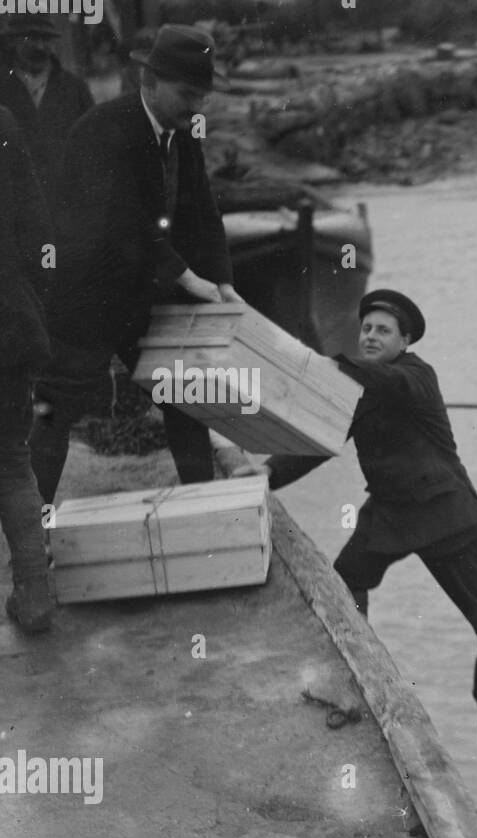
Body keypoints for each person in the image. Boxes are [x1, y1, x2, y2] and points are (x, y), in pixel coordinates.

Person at [237, 289, 477, 733]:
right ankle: (363, 673)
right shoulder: (358, 391)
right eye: (366, 329)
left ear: (404, 342)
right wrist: (267, 473)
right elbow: (321, 442)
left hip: (444, 512)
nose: (371, 336)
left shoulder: (415, 376)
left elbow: (386, 383)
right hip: (391, 512)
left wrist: (319, 365)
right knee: (346, 582)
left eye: (383, 331)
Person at [28, 24, 239, 506]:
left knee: (185, 395)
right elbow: (126, 220)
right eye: (188, 94)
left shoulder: (182, 134)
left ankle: (200, 508)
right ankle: (32, 527)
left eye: (202, 97)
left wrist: (223, 281)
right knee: (56, 410)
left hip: (144, 293)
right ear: (151, 81)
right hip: (86, 297)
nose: (197, 107)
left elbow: (202, 211)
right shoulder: (102, 129)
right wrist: (188, 278)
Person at [0, 105, 56, 632]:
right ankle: (35, 598)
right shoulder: (4, 122)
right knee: (11, 463)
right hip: (8, 325)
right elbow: (41, 231)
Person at [0, 13, 93, 200]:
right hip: (16, 201)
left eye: (46, 39)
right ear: (13, 41)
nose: (41, 47)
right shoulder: (2, 88)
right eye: (32, 38)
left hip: (67, 199)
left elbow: (93, 144)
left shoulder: (74, 88)